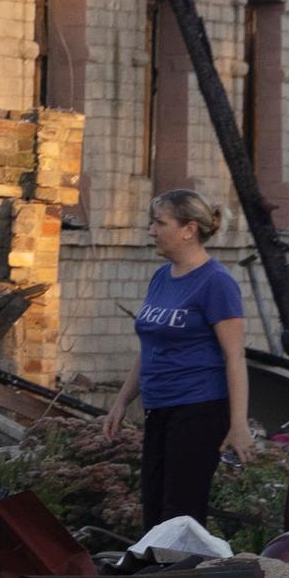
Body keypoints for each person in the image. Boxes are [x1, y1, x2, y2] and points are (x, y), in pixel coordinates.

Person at [105, 185, 254, 534]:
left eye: (160, 223)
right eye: (152, 223)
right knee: (154, 506)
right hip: (160, 409)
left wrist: (239, 425)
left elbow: (235, 357)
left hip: (199, 410)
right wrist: (122, 401)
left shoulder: (216, 283)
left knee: (180, 513)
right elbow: (150, 348)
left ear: (188, 229)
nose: (152, 231)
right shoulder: (161, 277)